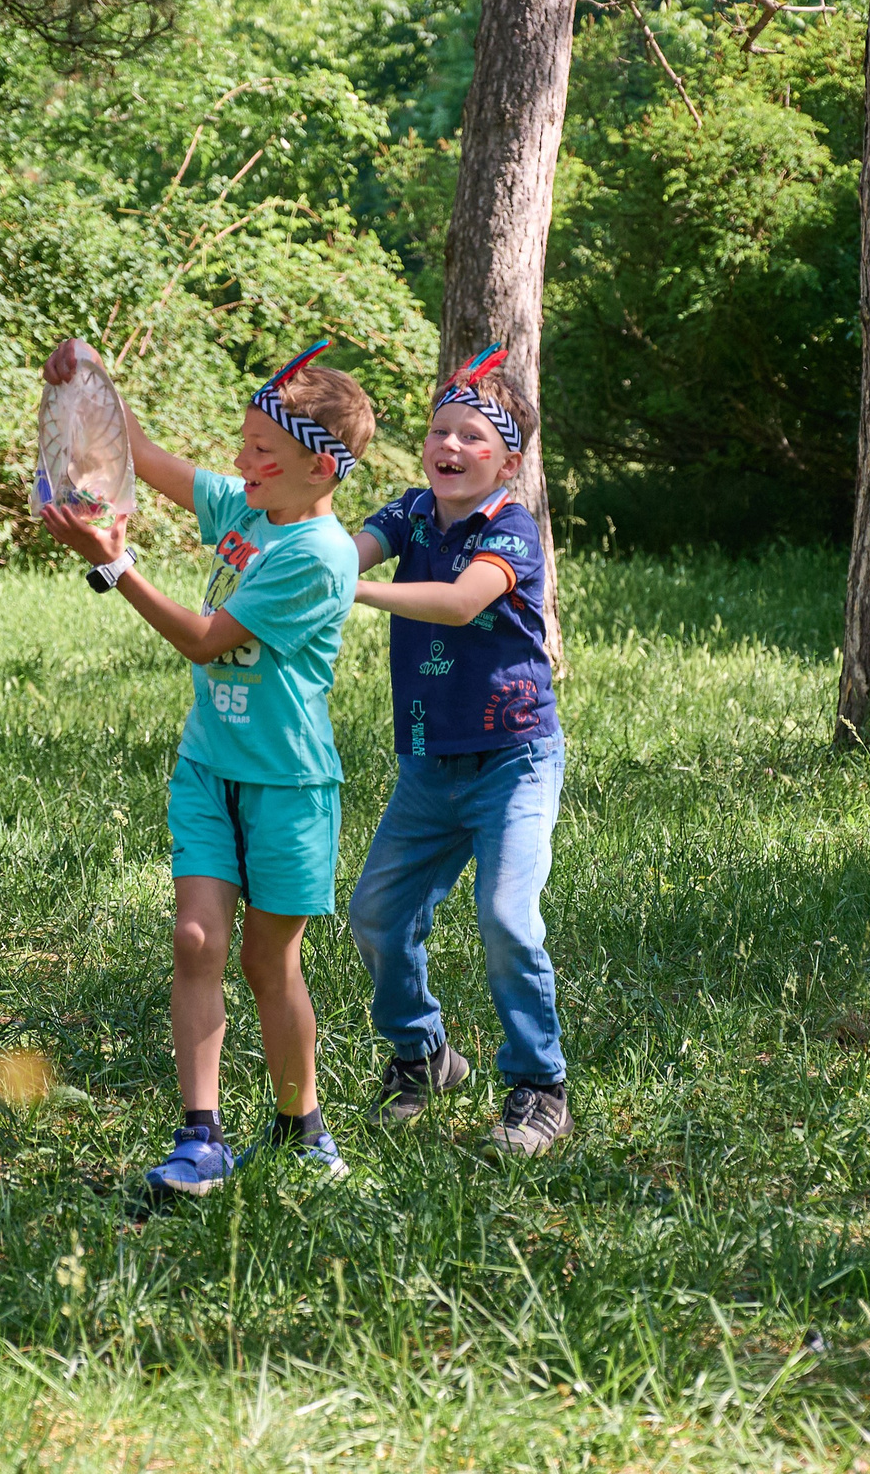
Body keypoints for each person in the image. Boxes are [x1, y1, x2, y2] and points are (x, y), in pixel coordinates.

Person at [37, 336, 374, 1197]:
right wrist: (92, 382)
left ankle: (303, 1129)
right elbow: (141, 458)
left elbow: (202, 637)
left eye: (260, 452)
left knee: (269, 964)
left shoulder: (318, 556)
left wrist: (113, 564)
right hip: (207, 769)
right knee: (196, 940)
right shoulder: (246, 509)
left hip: (291, 786)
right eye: (244, 444)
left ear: (318, 469)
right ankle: (201, 1137)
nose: (239, 460)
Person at [346, 345, 572, 1155]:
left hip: (513, 761)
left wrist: (349, 589)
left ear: (508, 459)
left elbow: (457, 600)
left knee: (507, 919)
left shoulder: (511, 530)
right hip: (427, 766)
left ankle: (538, 1086)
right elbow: (351, 549)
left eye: (471, 436)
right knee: (373, 917)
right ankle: (423, 1057)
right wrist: (302, 556)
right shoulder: (409, 513)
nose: (448, 447)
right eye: (439, 431)